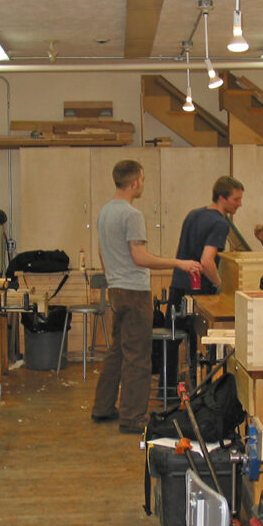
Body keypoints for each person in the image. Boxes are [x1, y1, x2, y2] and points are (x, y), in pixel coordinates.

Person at [90, 160, 202, 435]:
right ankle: (132, 419)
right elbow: (139, 257)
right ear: (134, 183)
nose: (142, 183)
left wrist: (115, 279)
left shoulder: (105, 212)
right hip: (135, 293)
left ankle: (103, 408)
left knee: (117, 351)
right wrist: (179, 263)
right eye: (142, 179)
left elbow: (104, 254)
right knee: (138, 357)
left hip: (116, 290)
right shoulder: (131, 214)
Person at [166, 176, 245, 382]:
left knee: (173, 339)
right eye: (236, 199)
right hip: (199, 291)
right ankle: (202, 386)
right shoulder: (220, 223)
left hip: (178, 285)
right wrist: (220, 285)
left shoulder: (193, 214)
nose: (240, 204)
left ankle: (169, 387)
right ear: (222, 198)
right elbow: (207, 261)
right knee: (205, 342)